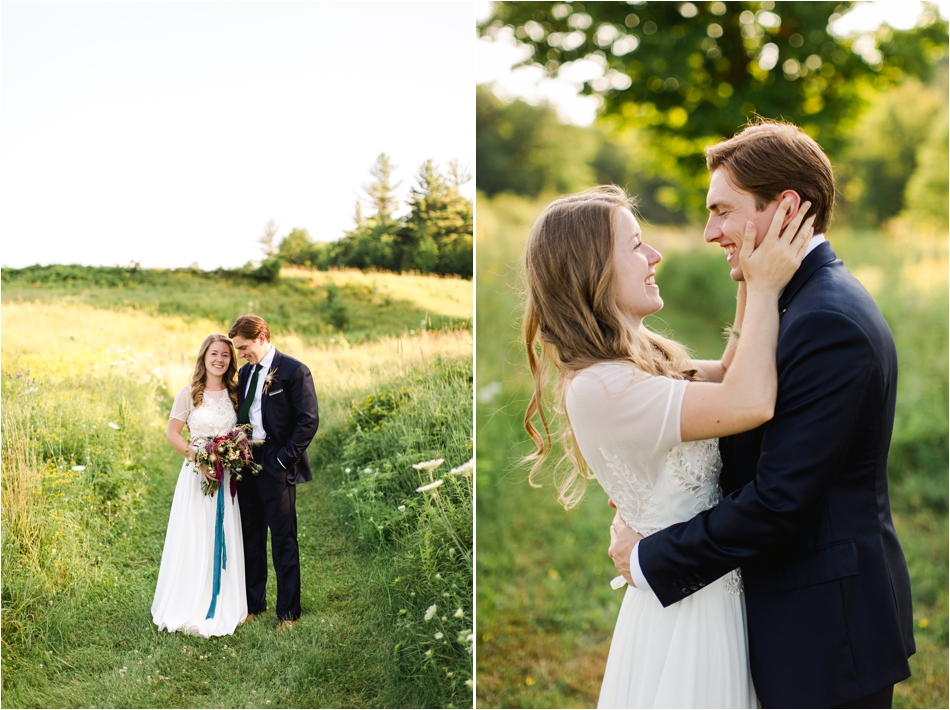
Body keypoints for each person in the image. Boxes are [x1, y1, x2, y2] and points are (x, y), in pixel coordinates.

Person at [608, 121, 916, 709]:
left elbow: (779, 501)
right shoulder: (795, 303)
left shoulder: (828, 323)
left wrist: (650, 556)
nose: (708, 232)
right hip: (794, 608)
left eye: (722, 210)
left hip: (826, 628)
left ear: (785, 208)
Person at [522, 182, 814, 707]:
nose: (654, 255)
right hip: (688, 606)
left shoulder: (634, 361)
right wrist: (768, 288)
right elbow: (747, 400)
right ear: (591, 270)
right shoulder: (603, 385)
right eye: (635, 246)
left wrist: (747, 275)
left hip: (702, 576)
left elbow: (726, 374)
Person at [152, 334, 247, 637]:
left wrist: (232, 453)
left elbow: (242, 431)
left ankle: (224, 599)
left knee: (223, 533)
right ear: (204, 357)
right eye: (214, 354)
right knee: (194, 533)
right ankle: (188, 599)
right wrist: (201, 460)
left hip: (227, 476)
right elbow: (173, 435)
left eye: (226, 355)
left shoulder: (235, 393)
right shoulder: (188, 393)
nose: (219, 360)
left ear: (231, 361)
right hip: (197, 474)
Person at [228, 314, 319, 630]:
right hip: (246, 460)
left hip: (276, 461)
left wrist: (283, 460)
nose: (241, 353)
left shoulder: (294, 370)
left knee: (283, 538)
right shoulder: (246, 371)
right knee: (250, 535)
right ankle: (255, 605)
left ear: (262, 337)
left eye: (244, 347)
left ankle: (289, 613)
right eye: (238, 348)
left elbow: (308, 421)